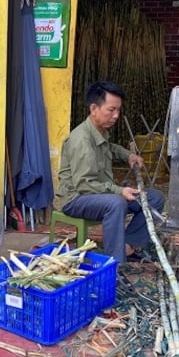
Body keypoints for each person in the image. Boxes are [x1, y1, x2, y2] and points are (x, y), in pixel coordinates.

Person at [56, 80, 165, 263]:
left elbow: (110, 147)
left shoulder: (99, 131)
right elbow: (85, 185)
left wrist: (128, 155)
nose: (116, 115)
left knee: (155, 198)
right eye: (111, 110)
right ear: (94, 109)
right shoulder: (81, 140)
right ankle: (115, 263)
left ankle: (127, 246)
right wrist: (119, 191)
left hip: (98, 193)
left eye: (118, 110)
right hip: (76, 198)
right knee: (116, 203)